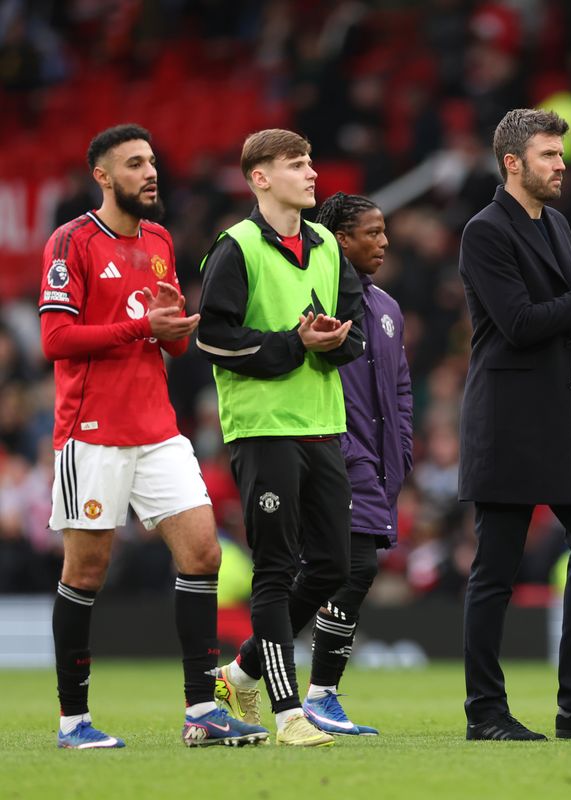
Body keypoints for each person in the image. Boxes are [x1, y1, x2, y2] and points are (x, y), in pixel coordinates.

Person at [40, 124, 268, 749]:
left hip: (157, 430)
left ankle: (203, 711)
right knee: (87, 570)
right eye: (135, 164)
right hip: (91, 431)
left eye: (152, 162)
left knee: (204, 555)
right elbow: (55, 341)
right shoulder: (71, 241)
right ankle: (73, 721)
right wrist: (141, 327)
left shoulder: (161, 240)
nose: (150, 172)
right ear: (104, 177)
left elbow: (164, 340)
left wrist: (169, 328)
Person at [458, 108, 571, 741]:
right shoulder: (485, 232)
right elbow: (520, 325)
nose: (562, 166)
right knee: (497, 570)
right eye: (548, 155)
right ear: (512, 163)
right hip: (511, 421)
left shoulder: (559, 225)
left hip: (570, 418)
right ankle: (485, 711)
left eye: (561, 155)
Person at [198, 129, 365, 748]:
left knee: (331, 567)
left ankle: (240, 670)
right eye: (297, 164)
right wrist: (297, 343)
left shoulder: (324, 243)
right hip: (264, 428)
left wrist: (331, 338)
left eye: (311, 160)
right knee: (274, 569)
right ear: (260, 178)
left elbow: (354, 332)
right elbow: (212, 337)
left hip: (322, 423)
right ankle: (288, 712)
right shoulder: (235, 247)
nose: (312, 173)